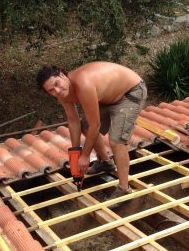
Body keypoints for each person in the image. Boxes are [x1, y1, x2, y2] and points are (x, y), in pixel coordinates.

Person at [36, 62, 147, 207]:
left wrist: (85, 156)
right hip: (109, 97)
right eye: (51, 90)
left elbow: (96, 125)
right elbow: (73, 120)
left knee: (116, 141)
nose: (57, 90)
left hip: (131, 92)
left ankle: (124, 190)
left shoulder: (84, 84)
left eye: (57, 84)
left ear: (62, 75)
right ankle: (106, 162)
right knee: (85, 126)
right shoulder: (61, 93)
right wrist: (75, 153)